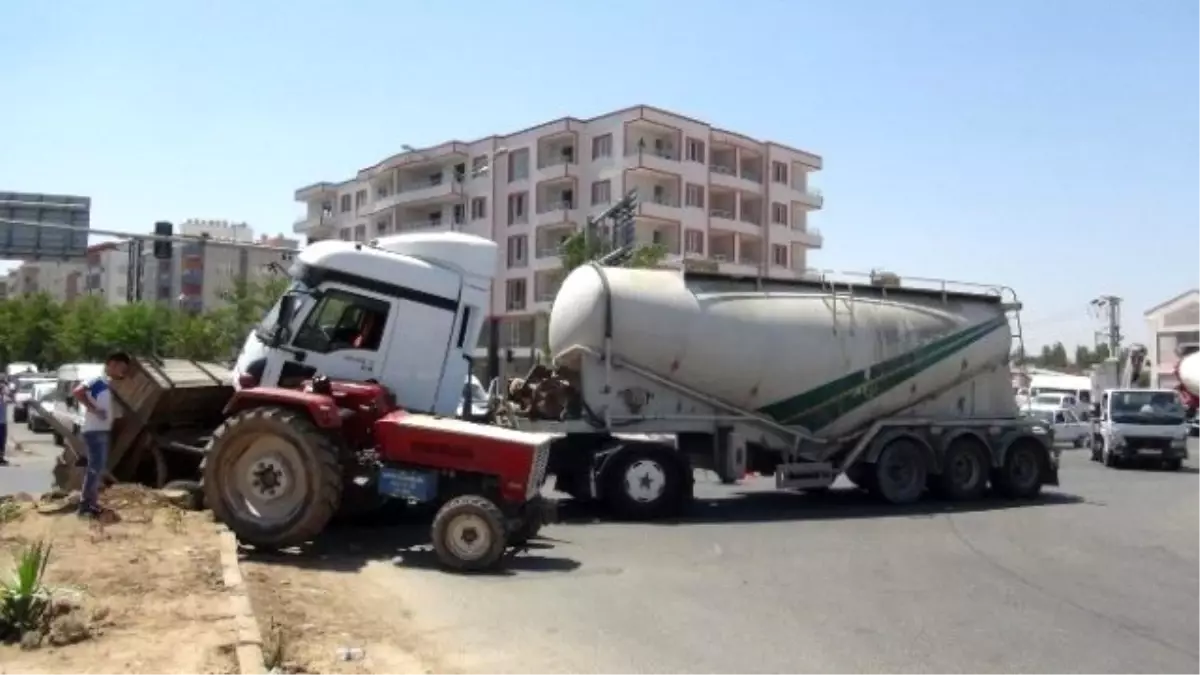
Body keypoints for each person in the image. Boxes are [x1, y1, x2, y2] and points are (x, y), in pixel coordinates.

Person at [72, 351, 131, 517]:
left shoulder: (107, 384)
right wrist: (94, 409)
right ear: (112, 364)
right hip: (94, 430)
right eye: (121, 368)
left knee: (97, 468)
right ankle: (86, 505)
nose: (123, 373)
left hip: (102, 430)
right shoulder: (97, 380)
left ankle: (91, 503)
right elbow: (77, 392)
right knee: (95, 468)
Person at [0, 377, 9, 467]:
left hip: (3, 423)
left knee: (2, 441)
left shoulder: (5, 398)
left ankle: (1, 458)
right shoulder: (3, 398)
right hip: (1, 423)